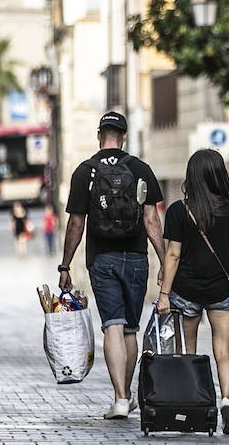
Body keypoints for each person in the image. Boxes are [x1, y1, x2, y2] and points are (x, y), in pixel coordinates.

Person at [58, 112, 165, 420]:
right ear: (125, 137)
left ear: (98, 135)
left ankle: (119, 398)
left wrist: (65, 266)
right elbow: (151, 220)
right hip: (135, 257)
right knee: (130, 330)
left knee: (112, 326)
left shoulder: (85, 172)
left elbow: (76, 223)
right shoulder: (140, 170)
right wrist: (164, 260)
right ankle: (127, 394)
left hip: (101, 258)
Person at [157, 149, 229, 435]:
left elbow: (173, 255)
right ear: (219, 175)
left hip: (186, 289)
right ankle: (226, 401)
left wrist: (165, 293)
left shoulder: (179, 210)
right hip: (223, 290)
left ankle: (193, 405)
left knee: (188, 352)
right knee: (224, 352)